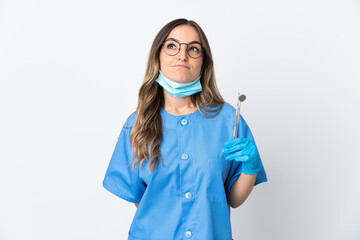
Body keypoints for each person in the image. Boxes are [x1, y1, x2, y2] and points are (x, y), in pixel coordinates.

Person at [103, 18, 267, 240]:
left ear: (203, 62)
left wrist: (250, 167)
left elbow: (234, 199)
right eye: (172, 46)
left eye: (193, 49)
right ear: (157, 56)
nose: (182, 55)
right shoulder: (136, 125)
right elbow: (142, 201)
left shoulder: (228, 121)